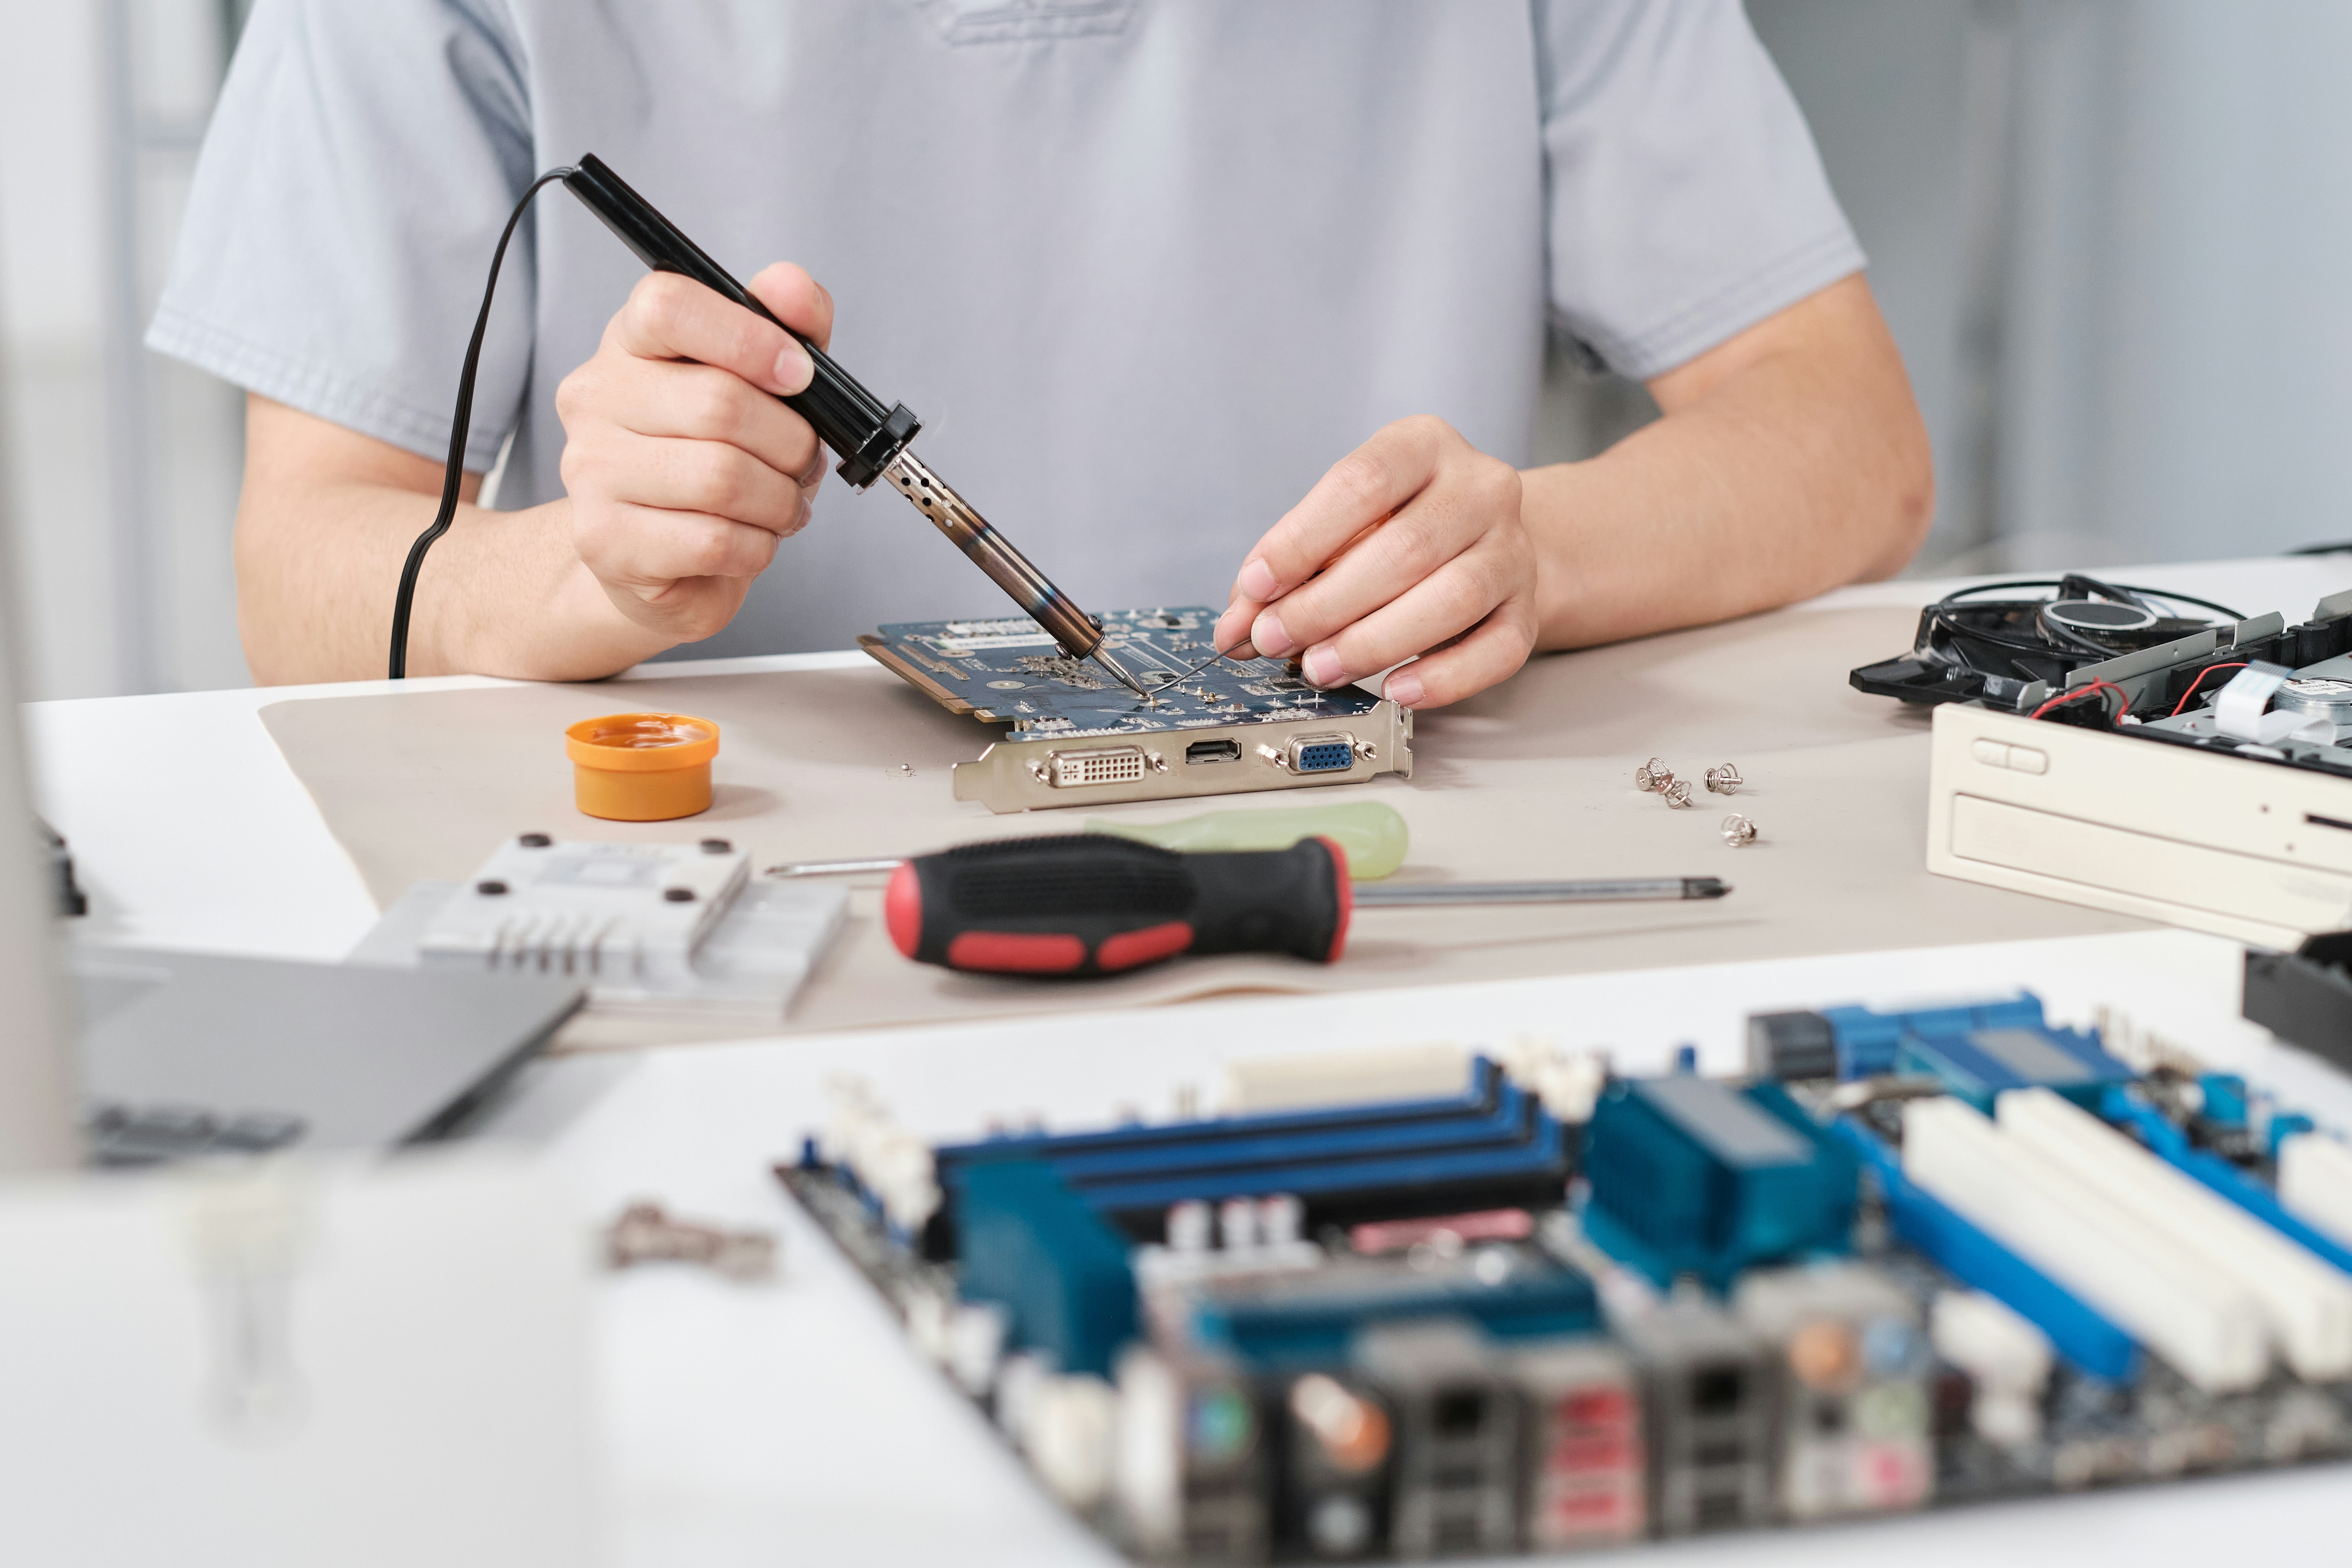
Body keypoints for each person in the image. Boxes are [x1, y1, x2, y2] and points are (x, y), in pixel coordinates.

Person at [155, 0, 1929, 706]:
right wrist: (577, 573)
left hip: (1389, 871)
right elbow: (300, 573)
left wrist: (1537, 550)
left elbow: (1847, 437)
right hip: (726, 903)